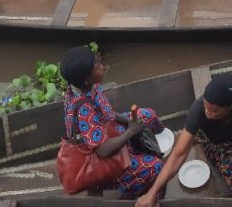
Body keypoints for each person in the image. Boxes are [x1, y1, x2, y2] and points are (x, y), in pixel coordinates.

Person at [135, 74, 232, 207]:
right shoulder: (197, 110)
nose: (207, 112)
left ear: (229, 107)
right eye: (206, 106)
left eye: (214, 110)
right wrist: (152, 192)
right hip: (220, 145)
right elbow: (178, 154)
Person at [58, 46, 164, 197]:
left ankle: (146, 150)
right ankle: (136, 192)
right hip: (104, 159)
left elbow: (106, 112)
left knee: (149, 116)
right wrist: (130, 131)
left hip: (109, 129)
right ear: (86, 79)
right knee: (157, 167)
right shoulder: (84, 110)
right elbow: (102, 151)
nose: (102, 65)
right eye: (97, 65)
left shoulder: (87, 85)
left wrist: (128, 120)